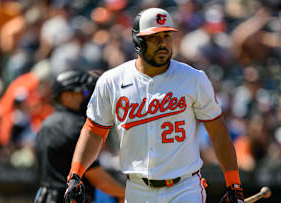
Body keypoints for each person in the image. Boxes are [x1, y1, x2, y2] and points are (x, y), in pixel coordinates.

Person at [64, 8, 244, 203]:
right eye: (155, 37)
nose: (163, 43)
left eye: (167, 36)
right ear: (138, 42)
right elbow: (94, 130)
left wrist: (233, 183)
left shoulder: (193, 78)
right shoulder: (112, 80)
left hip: (185, 187)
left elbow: (217, 131)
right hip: (137, 189)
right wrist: (75, 174)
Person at [34, 69, 125, 203]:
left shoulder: (46, 123)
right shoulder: (76, 125)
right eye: (84, 92)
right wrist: (129, 194)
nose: (88, 96)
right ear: (66, 96)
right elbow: (99, 180)